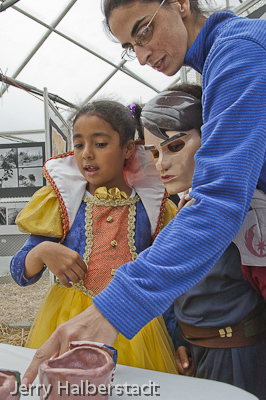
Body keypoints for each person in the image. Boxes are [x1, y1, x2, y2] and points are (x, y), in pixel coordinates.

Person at [22, 0, 266, 388]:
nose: (140, 56)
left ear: (181, 4)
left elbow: (219, 200)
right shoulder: (226, 54)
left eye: (143, 31)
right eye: (129, 46)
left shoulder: (239, 52)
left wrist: (116, 308)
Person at [10, 99, 178, 374]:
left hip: (136, 327)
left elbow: (167, 281)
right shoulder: (62, 203)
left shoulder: (156, 209)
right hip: (69, 322)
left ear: (127, 148)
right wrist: (41, 253)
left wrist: (175, 337)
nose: (87, 154)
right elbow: (18, 272)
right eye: (78, 145)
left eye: (100, 144)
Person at [141, 83, 266, 398]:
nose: (161, 164)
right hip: (201, 355)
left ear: (212, 135)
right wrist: (181, 341)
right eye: (154, 152)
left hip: (239, 358)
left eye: (174, 146)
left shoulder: (244, 205)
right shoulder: (189, 204)